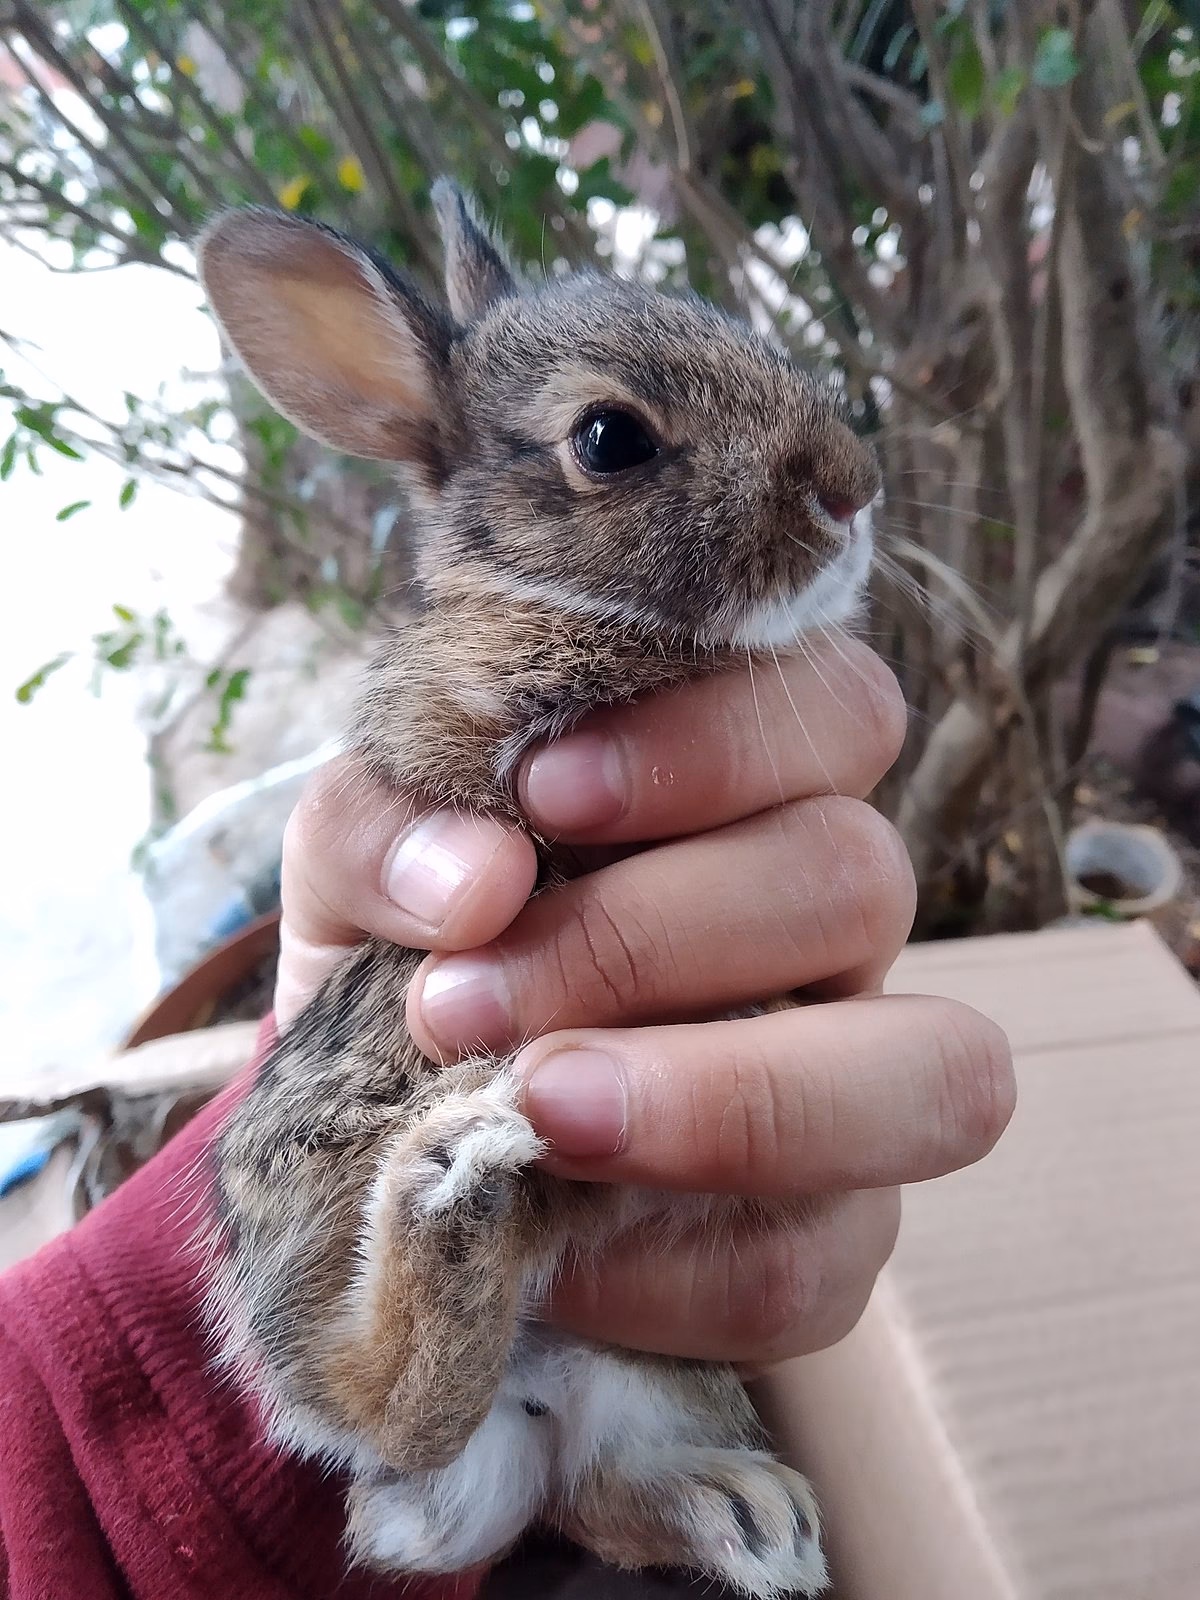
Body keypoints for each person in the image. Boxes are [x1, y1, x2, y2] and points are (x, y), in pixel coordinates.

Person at [0, 640, 1013, 1599]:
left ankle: (610, 1466)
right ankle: (438, 1363)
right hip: (374, 1209)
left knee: (637, 1265)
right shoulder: (493, 652)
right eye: (613, 443)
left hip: (356, 1313)